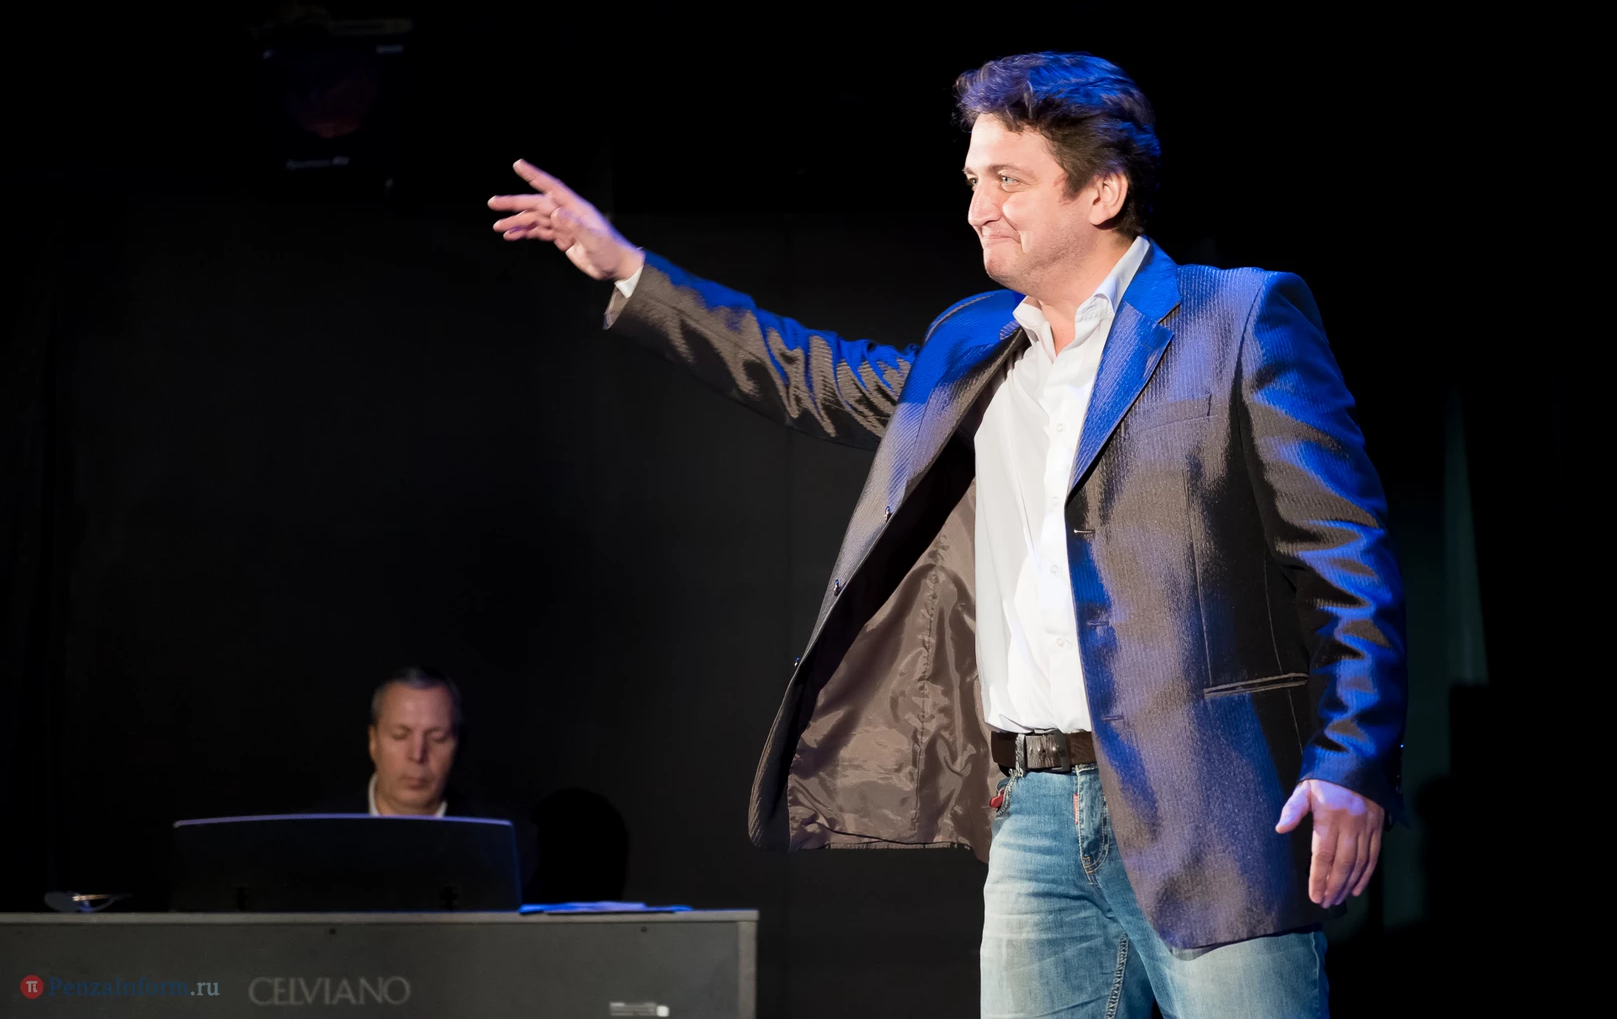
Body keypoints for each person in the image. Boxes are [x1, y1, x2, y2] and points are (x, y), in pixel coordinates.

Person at [489, 52, 1405, 1017]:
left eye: (1007, 180)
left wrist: (1349, 761)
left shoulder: (1237, 318)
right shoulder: (973, 341)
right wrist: (629, 271)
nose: (977, 209)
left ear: (1101, 192)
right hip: (1032, 812)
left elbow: (1344, 560)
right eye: (973, 180)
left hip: (1211, 805)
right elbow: (809, 374)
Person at [313, 666, 537, 898]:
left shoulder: (511, 846)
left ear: (457, 745)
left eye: (437, 738)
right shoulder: (313, 842)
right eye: (400, 735)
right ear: (373, 741)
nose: (417, 754)